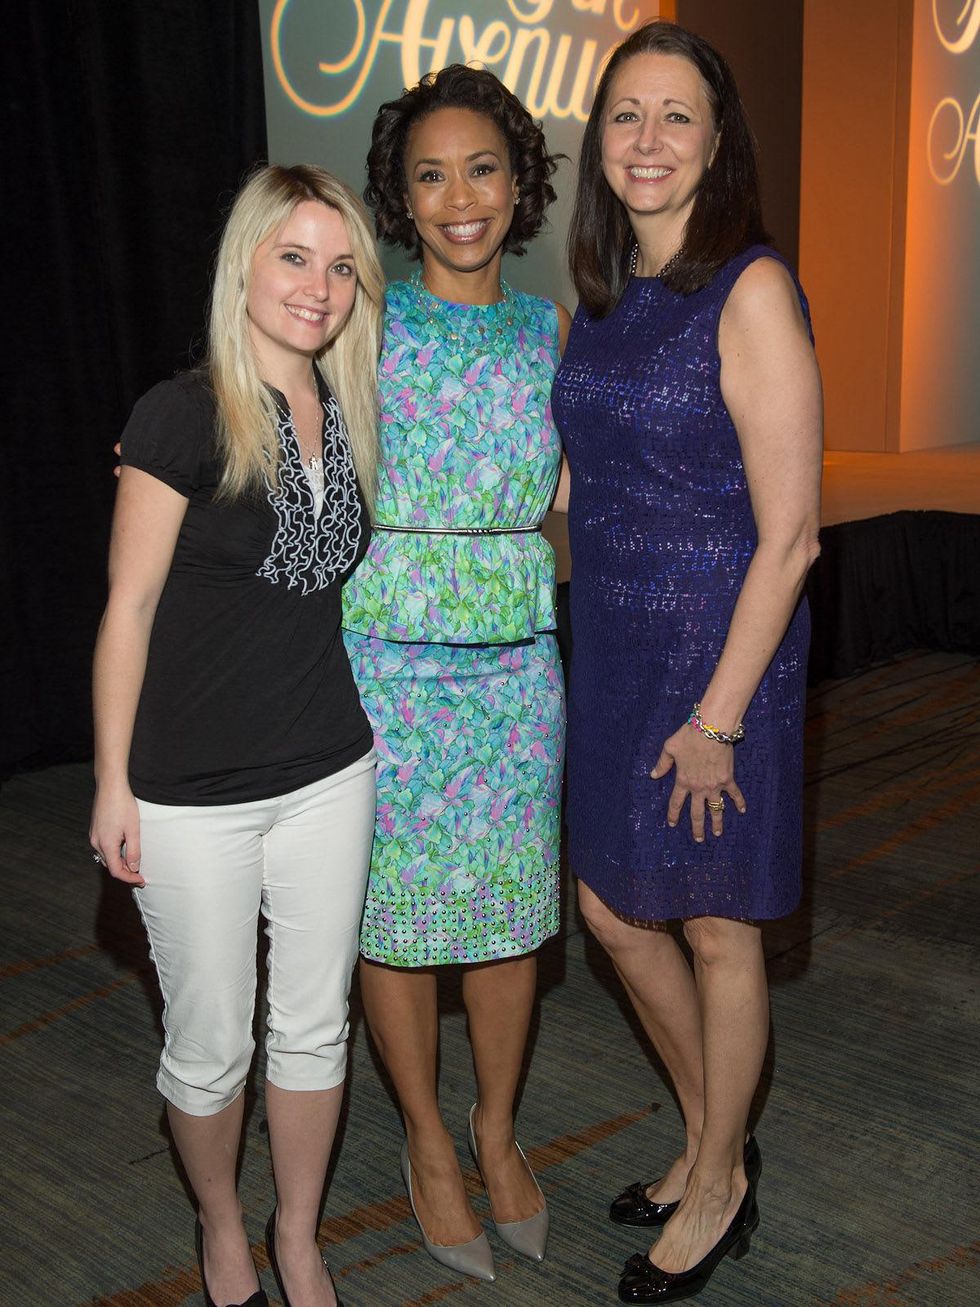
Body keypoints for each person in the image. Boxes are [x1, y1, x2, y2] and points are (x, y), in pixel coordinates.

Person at [552, 20, 822, 1305]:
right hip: (610, 644)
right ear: (598, 144)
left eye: (675, 116)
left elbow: (791, 537)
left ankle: (715, 1179)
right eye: (624, 115)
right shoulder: (599, 304)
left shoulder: (749, 286)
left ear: (717, 144)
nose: (646, 140)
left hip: (722, 655)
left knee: (714, 923)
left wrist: (716, 716)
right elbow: (570, 485)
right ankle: (716, 1130)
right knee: (610, 905)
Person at [89, 164, 384, 1307]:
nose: (318, 286)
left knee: (314, 1027)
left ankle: (298, 1237)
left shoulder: (353, 406)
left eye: (341, 263)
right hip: (188, 788)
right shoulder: (179, 413)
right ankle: (221, 1228)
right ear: (245, 264)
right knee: (211, 1045)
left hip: (327, 767)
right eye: (294, 256)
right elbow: (128, 608)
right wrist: (113, 782)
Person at [340, 65, 568, 1281]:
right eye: (430, 174)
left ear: (520, 181)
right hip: (383, 664)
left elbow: (586, 491)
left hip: (517, 670)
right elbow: (268, 414)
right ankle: (428, 1141)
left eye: (482, 167)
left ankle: (495, 1126)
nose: (459, 196)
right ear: (403, 196)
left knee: (504, 917)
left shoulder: (548, 330)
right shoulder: (366, 319)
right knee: (393, 917)